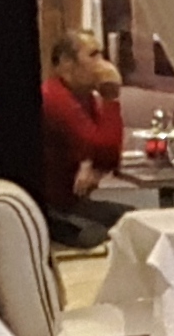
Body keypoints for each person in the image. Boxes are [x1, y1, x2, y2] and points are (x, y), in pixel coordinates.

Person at [40, 30, 125, 251]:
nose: (103, 64)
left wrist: (90, 163)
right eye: (93, 55)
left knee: (135, 221)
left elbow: (109, 156)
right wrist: (111, 98)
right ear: (67, 63)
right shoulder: (53, 97)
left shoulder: (86, 97)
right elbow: (103, 146)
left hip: (72, 203)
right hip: (49, 210)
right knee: (110, 234)